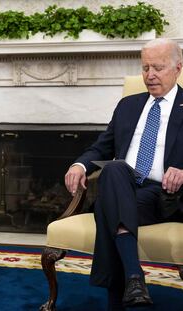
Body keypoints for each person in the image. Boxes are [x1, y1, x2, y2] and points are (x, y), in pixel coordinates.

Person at [64, 38, 183, 310]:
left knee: (109, 208)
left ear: (178, 69)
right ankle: (134, 278)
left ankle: (123, 292)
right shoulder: (129, 105)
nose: (150, 75)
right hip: (124, 186)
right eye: (145, 68)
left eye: (158, 67)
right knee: (116, 168)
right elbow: (101, 147)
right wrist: (79, 166)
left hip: (165, 196)